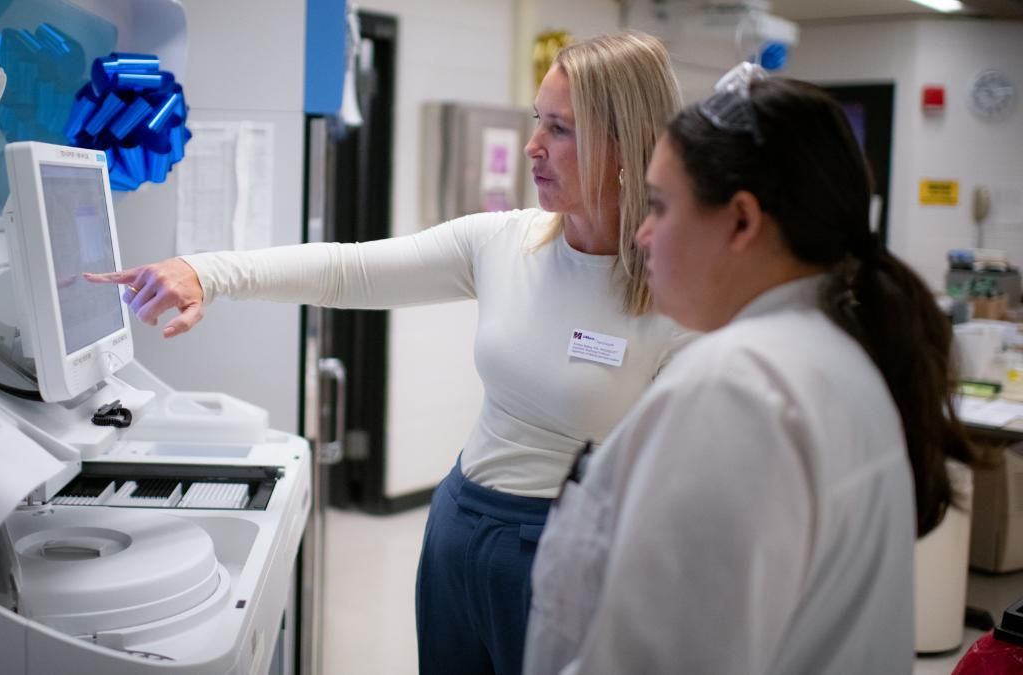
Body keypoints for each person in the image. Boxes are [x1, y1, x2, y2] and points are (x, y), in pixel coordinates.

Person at [88, 32, 691, 675]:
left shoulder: (678, 296)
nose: (532, 146)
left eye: (561, 129)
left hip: (566, 555)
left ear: (626, 145)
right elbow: (348, 271)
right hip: (459, 526)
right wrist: (205, 271)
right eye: (536, 120)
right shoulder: (505, 243)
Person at [523, 64, 979, 675]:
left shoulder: (736, 390)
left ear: (741, 220)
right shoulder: (838, 358)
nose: (642, 234)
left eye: (659, 205)